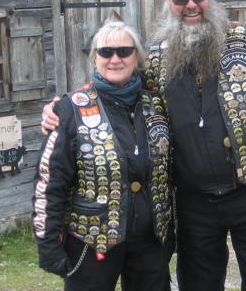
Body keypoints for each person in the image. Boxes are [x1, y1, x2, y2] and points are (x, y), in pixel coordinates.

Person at [42, 0, 246, 291]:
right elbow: (116, 80)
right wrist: (64, 107)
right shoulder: (157, 55)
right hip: (194, 201)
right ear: (168, 4)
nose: (190, 5)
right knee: (198, 284)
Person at [32, 20, 172, 291]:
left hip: (150, 241)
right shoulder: (71, 108)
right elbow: (50, 180)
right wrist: (47, 241)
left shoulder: (156, 104)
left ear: (136, 57)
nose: (115, 59)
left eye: (124, 51)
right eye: (106, 52)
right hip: (91, 240)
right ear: (95, 58)